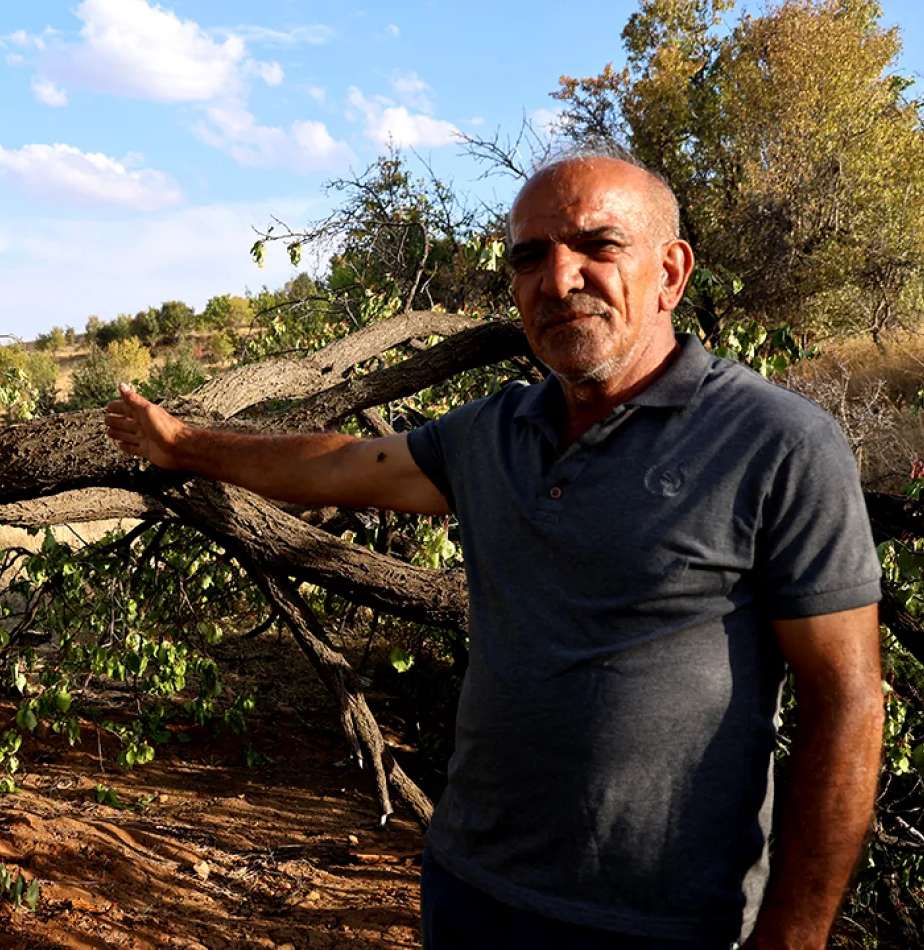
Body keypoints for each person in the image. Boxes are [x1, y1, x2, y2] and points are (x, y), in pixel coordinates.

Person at [103, 149, 884, 950]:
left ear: (670, 272)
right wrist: (183, 445)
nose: (559, 278)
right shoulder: (493, 431)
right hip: (472, 891)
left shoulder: (777, 443)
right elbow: (341, 462)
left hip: (668, 922)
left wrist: (794, 934)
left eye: (597, 246)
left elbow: (848, 700)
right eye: (530, 256)